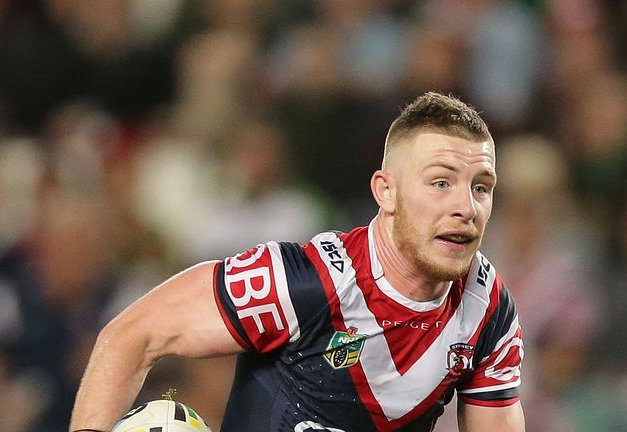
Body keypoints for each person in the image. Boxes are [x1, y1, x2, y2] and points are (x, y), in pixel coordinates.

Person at [70, 92, 525, 432]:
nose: (466, 207)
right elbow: (131, 335)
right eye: (441, 183)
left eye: (481, 187)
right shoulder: (299, 282)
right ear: (386, 192)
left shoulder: (488, 309)